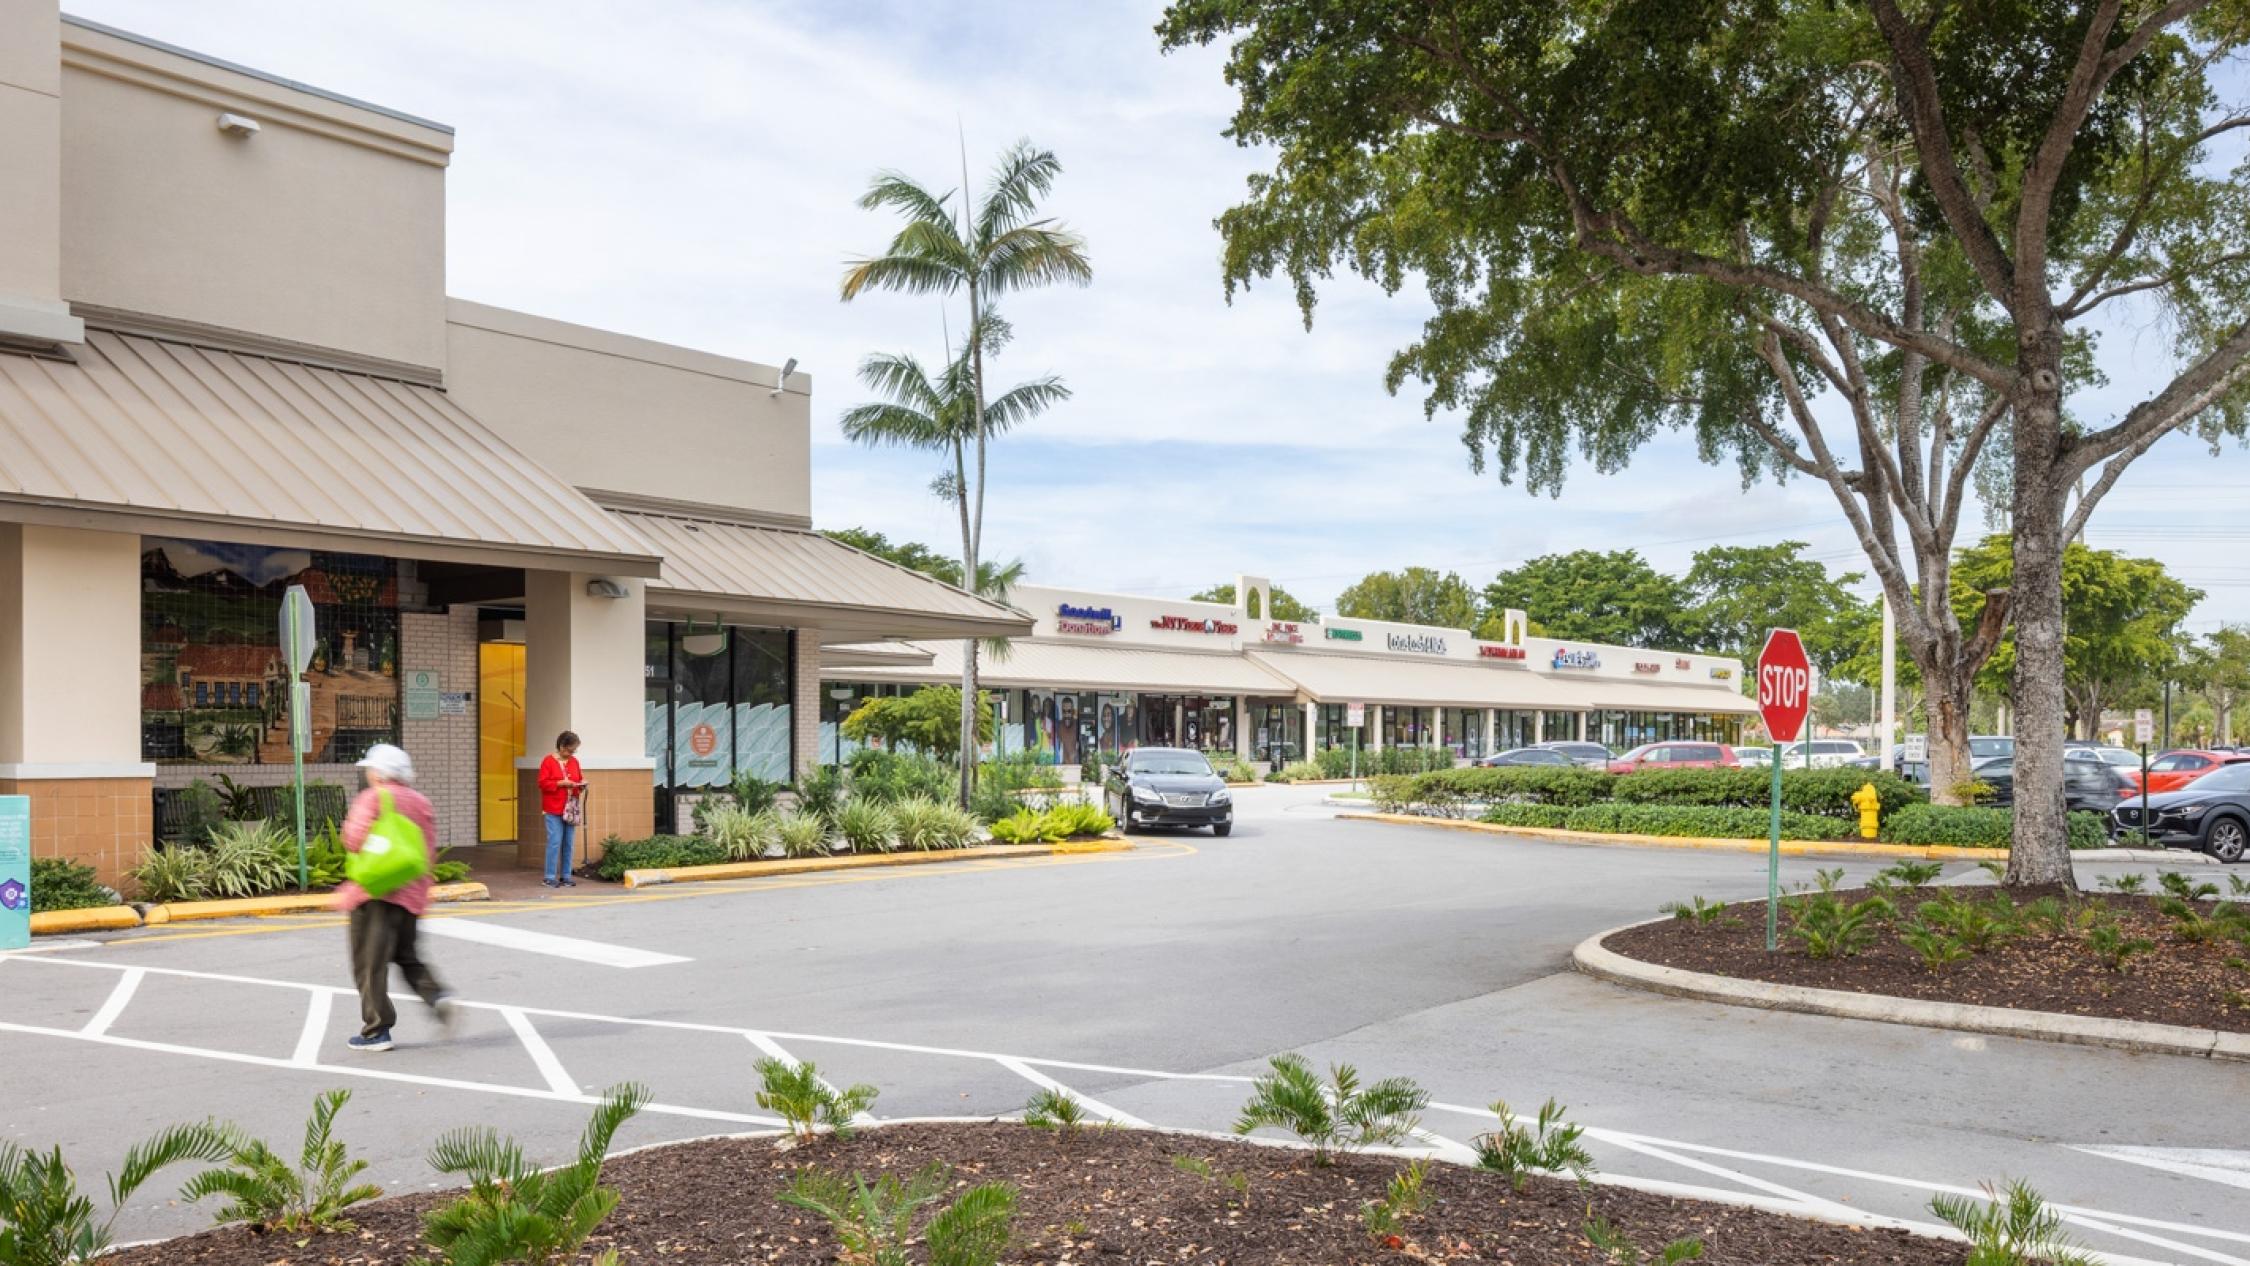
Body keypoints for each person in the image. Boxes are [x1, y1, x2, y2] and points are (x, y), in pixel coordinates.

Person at [339, 743, 448, 1053]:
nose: (369, 774)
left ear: (380, 773)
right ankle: (437, 997)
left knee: (369, 964)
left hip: (374, 892)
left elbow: (353, 838)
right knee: (407, 955)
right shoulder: (421, 802)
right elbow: (427, 850)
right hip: (411, 893)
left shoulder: (374, 797)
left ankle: (377, 1030)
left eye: (371, 769)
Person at [538, 730, 586, 888]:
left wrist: (581, 784)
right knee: (554, 841)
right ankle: (549, 876)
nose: (572, 753)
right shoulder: (548, 761)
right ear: (562, 746)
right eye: (570, 750)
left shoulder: (574, 762)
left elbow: (578, 779)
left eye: (574, 750)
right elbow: (543, 784)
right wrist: (561, 783)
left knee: (568, 843)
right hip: (553, 808)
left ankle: (566, 876)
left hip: (570, 807)